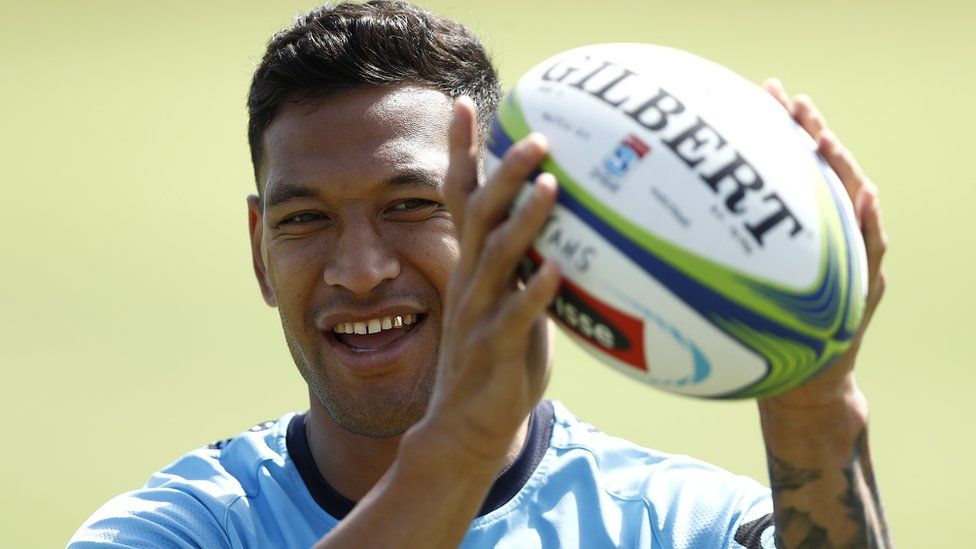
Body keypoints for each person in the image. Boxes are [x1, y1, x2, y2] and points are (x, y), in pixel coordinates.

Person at [70, 2, 892, 547]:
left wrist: (812, 400)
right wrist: (456, 451)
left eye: (411, 206)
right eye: (305, 219)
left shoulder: (669, 521)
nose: (358, 271)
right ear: (260, 251)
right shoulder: (186, 526)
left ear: (515, 222)